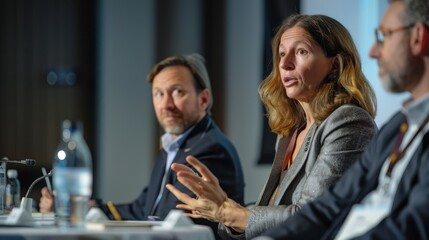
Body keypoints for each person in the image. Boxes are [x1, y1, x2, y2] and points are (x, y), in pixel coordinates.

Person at [166, 14, 378, 240]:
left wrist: (228, 213)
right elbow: (270, 207)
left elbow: (311, 217)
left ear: (334, 66)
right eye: (282, 54)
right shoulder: (291, 131)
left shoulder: (349, 122)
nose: (285, 64)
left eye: (301, 52)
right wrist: (224, 208)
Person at [250, 0, 429, 239]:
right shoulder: (397, 126)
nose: (373, 51)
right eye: (281, 54)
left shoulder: (351, 121)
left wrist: (234, 215)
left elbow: (412, 225)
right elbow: (328, 207)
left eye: (384, 36)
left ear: (417, 37)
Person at [39, 54, 245, 237]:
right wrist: (84, 206)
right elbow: (143, 208)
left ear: (203, 99)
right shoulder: (173, 145)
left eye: (177, 92)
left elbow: (174, 222)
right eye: (159, 94)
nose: (166, 105)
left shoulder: (210, 150)